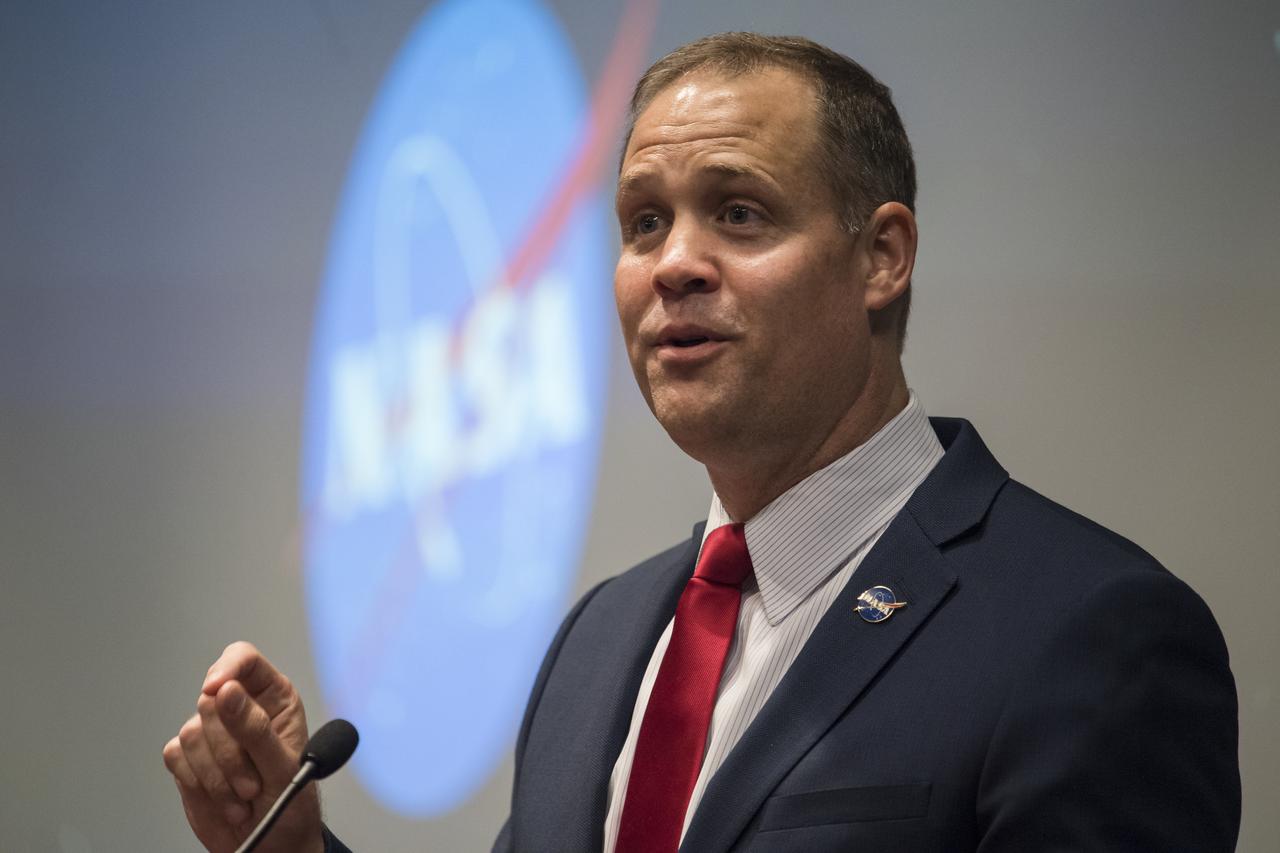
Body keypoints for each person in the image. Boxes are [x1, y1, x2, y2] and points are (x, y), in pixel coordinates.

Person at [163, 33, 1240, 852]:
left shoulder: (1091, 635)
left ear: (881, 257)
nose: (671, 264)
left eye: (736, 213)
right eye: (642, 222)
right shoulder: (601, 638)